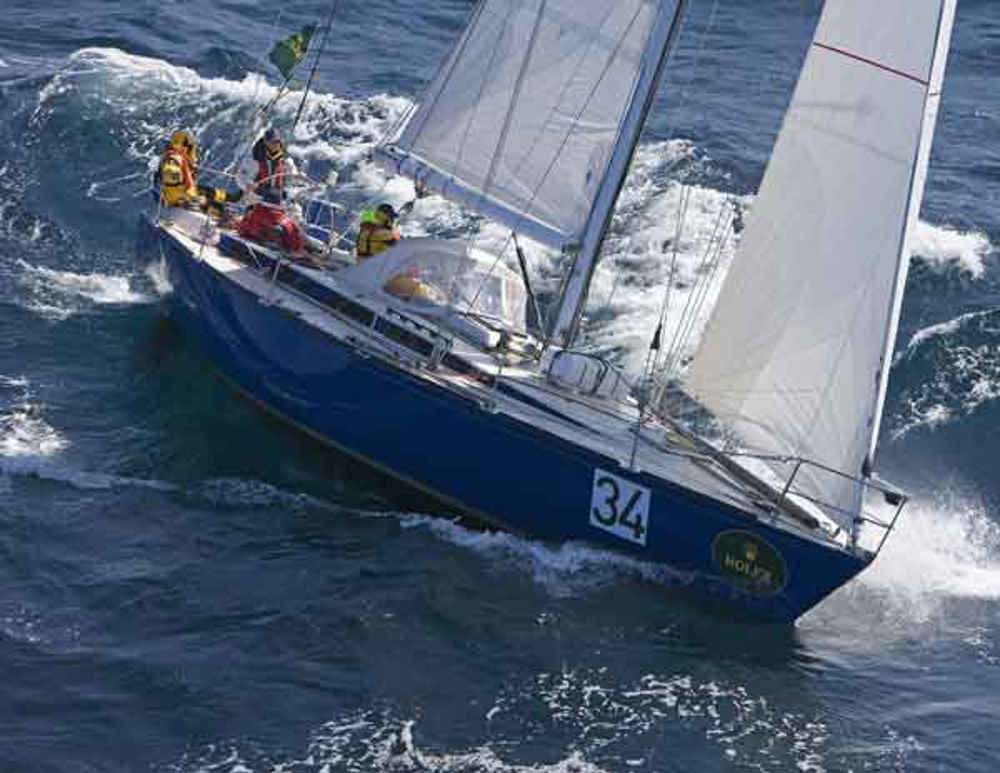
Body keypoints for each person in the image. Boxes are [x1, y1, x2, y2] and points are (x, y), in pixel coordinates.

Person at [156, 130, 241, 216]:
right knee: (211, 204)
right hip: (179, 198)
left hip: (181, 192)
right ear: (184, 147)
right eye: (190, 147)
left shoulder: (171, 158)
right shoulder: (173, 162)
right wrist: (193, 197)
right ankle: (225, 218)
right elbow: (173, 186)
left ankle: (231, 198)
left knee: (208, 192)